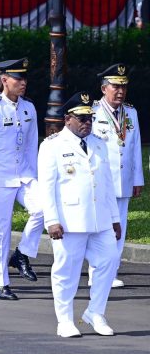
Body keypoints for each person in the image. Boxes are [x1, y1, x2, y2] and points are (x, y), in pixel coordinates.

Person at [38, 92, 120, 338]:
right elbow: (47, 187)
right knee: (67, 271)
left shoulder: (99, 143)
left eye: (89, 119)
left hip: (100, 218)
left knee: (108, 261)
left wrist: (114, 218)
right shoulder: (52, 145)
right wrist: (51, 221)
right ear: (67, 119)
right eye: (82, 119)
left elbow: (107, 184)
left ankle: (96, 312)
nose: (87, 123)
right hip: (69, 220)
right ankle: (64, 320)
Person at [0, 58, 44, 299]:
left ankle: (22, 253)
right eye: (18, 78)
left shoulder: (28, 107)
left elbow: (32, 145)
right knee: (0, 230)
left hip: (24, 174)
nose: (23, 83)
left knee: (43, 209)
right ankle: (0, 283)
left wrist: (35, 176)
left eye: (24, 78)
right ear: (4, 80)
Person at [90, 64, 142, 289]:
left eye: (123, 87)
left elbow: (135, 147)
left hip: (123, 180)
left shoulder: (131, 113)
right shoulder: (93, 112)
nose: (120, 91)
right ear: (104, 89)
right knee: (101, 227)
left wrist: (137, 179)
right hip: (102, 179)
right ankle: (95, 271)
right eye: (115, 87)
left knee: (120, 227)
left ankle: (112, 272)